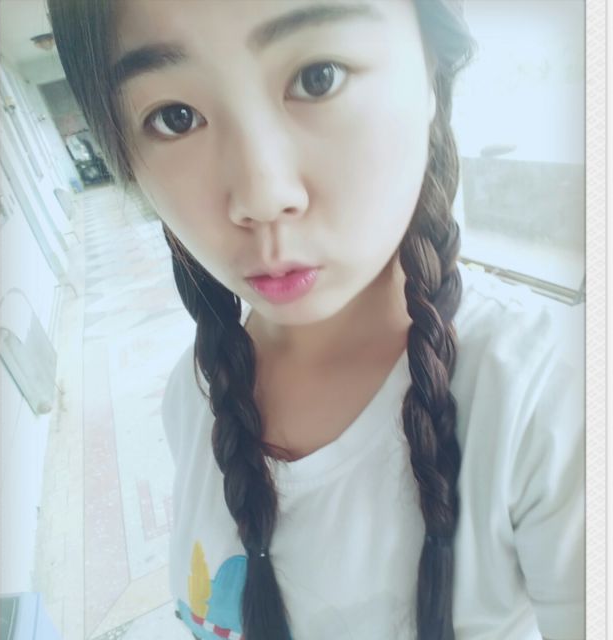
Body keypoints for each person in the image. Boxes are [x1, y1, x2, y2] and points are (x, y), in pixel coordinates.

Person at [47, 1, 585, 638]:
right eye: (175, 117)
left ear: (432, 66)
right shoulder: (192, 396)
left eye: (317, 77)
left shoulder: (549, 400)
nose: (261, 195)